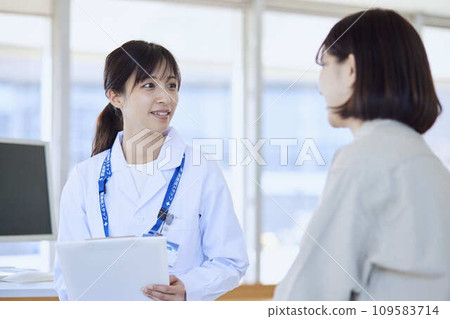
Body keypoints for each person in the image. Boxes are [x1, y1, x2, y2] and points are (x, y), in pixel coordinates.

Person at [274, 9, 450, 300]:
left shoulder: (365, 160)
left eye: (325, 64)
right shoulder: (433, 169)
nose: (319, 85)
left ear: (351, 70)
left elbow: (307, 294)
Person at [54, 40, 248, 301]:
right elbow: (66, 275)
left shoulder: (201, 170)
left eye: (171, 85)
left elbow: (231, 261)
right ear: (115, 96)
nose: (166, 98)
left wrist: (188, 287)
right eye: (148, 85)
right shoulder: (84, 178)